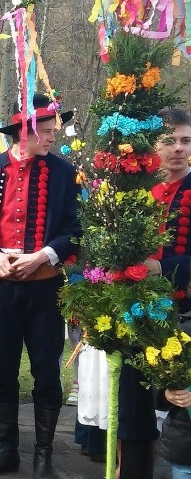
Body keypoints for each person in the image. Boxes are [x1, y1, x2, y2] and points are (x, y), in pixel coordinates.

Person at [0, 93, 81, 478]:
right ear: (22, 133)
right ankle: (5, 450)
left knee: (46, 370)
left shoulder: (65, 174)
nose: (51, 138)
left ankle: (43, 456)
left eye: (52, 130)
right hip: (0, 287)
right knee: (4, 370)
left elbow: (74, 231)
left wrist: (43, 255)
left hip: (45, 288)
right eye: (44, 131)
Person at [146, 108, 191, 479]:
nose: (178, 149)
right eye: (170, 140)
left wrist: (164, 268)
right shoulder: (138, 190)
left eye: (186, 141)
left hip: (186, 310)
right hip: (141, 313)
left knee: (183, 416)